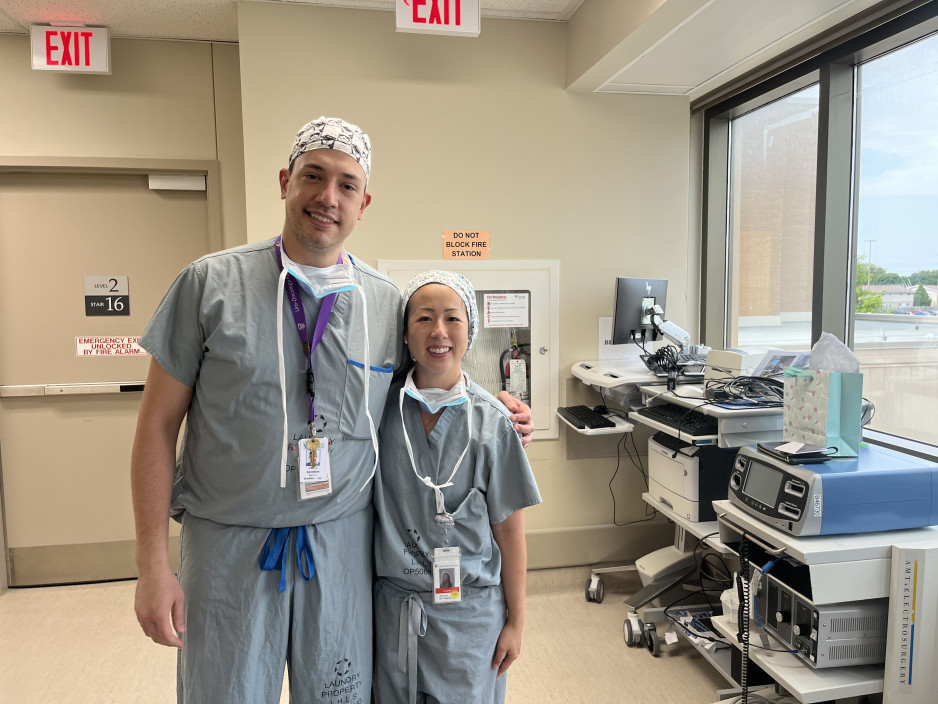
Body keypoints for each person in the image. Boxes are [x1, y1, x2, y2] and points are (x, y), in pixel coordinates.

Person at [130, 117, 533, 704]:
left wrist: (488, 405)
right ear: (284, 182)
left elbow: (426, 378)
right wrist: (151, 566)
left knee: (340, 695)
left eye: (346, 184)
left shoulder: (383, 304)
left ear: (363, 202)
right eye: (313, 177)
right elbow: (156, 427)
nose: (328, 196)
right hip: (229, 544)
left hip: (340, 543)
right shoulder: (209, 286)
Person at [372, 271, 542, 704]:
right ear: (405, 334)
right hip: (393, 610)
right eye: (424, 319)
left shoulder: (493, 423)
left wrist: (517, 623)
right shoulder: (378, 413)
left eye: (453, 319)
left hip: (470, 618)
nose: (439, 332)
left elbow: (509, 530)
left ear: (471, 332)